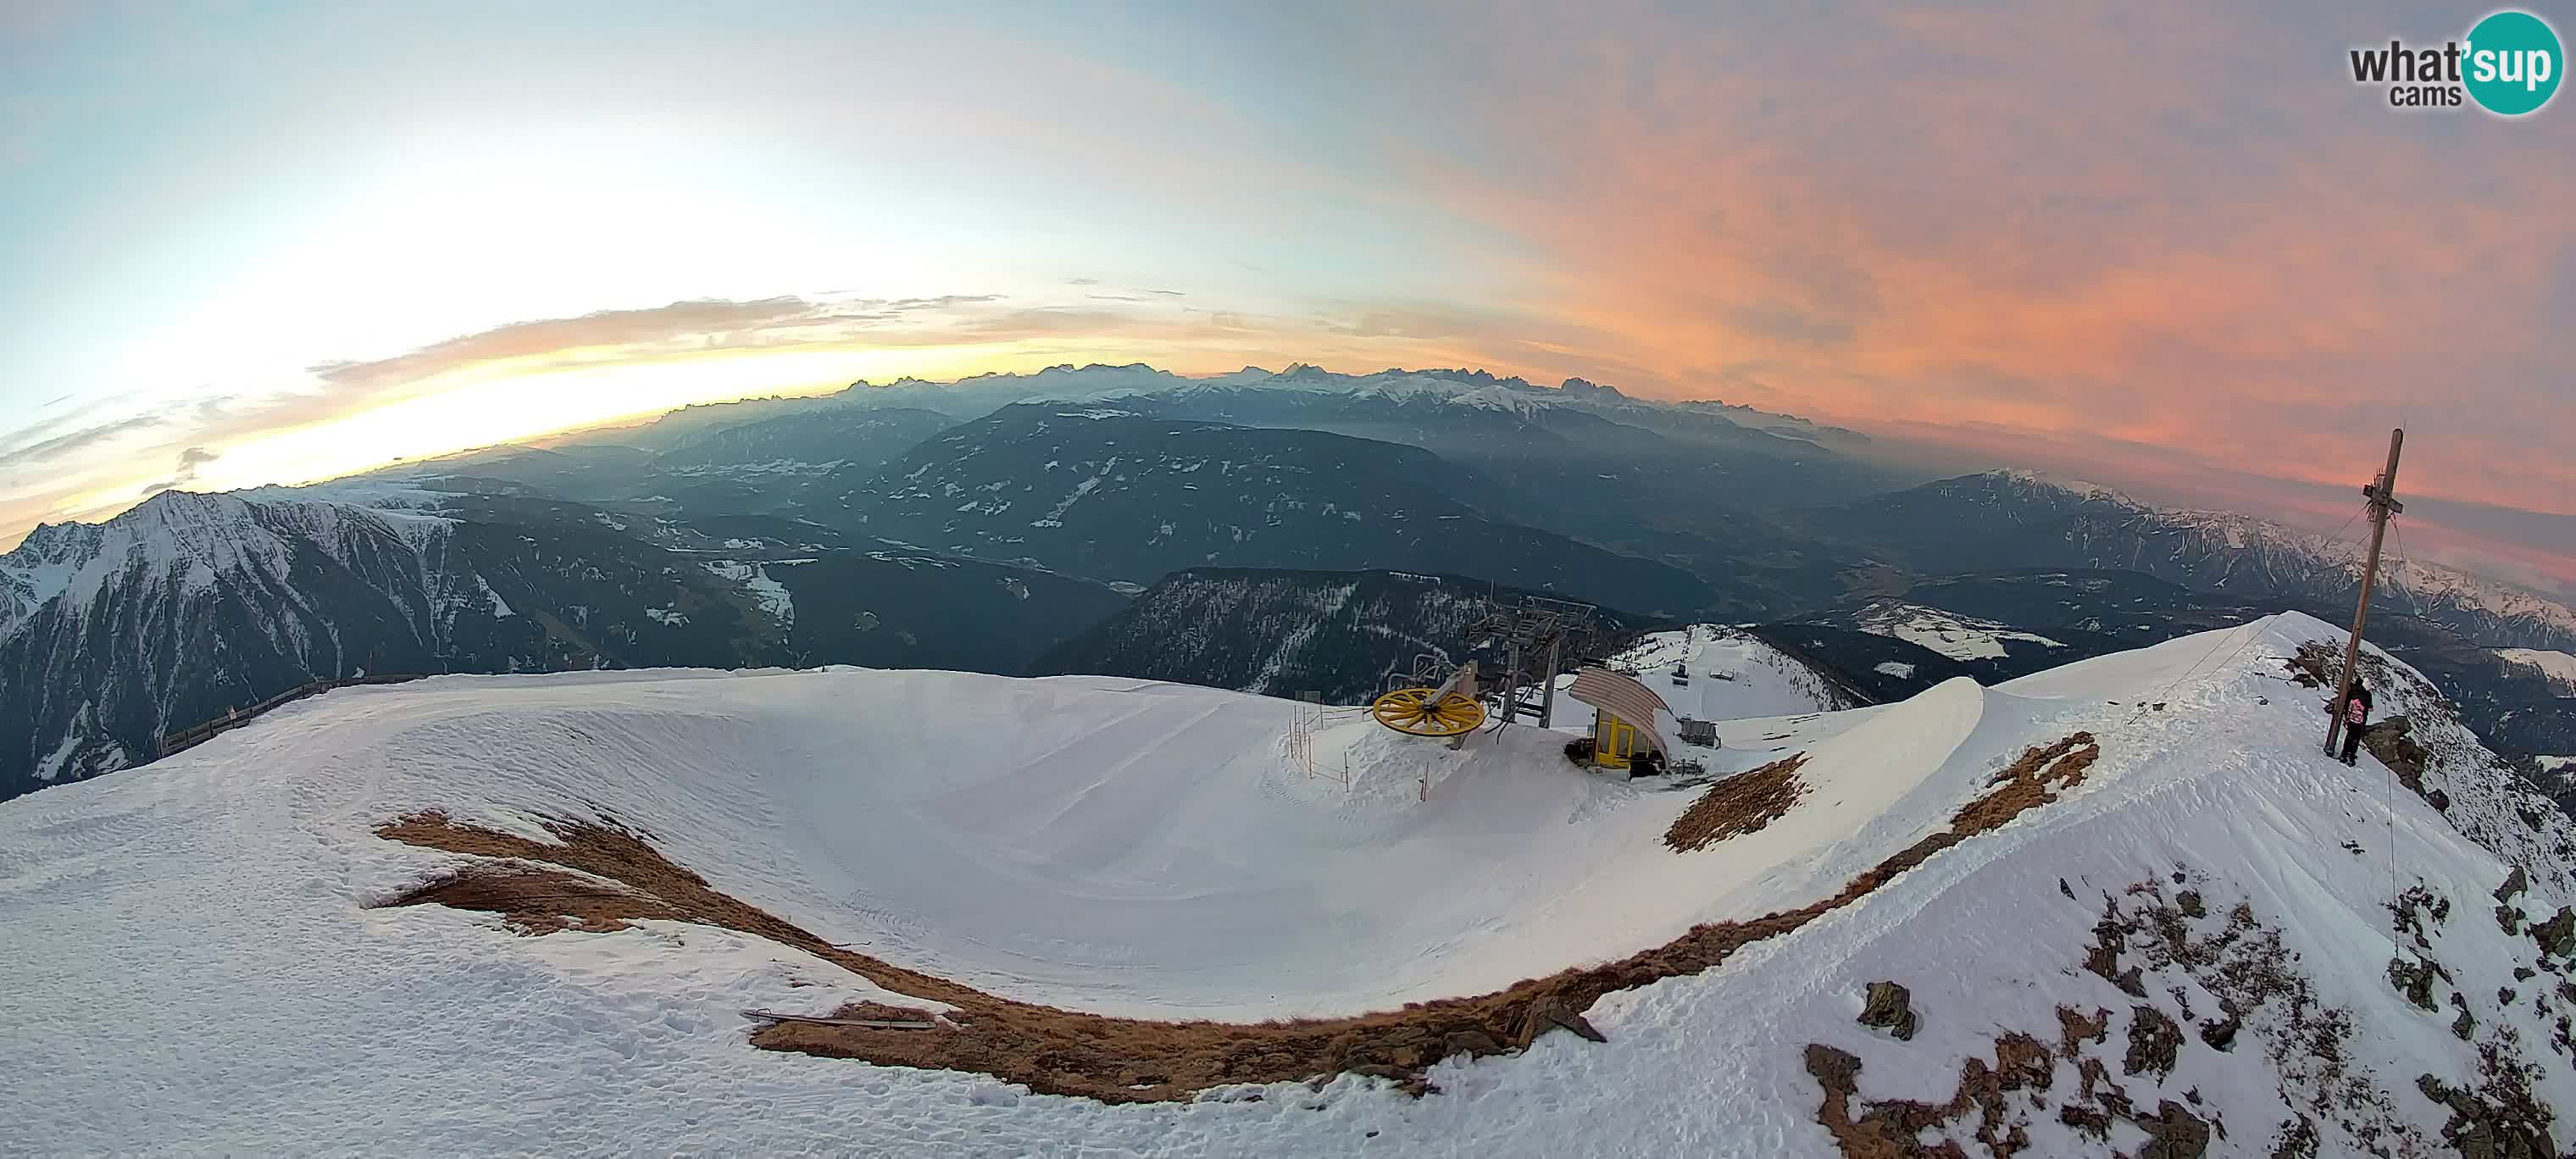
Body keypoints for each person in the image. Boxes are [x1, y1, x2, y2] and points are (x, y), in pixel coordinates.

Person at [2336, 680, 2373, 766]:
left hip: (2352, 719)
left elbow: (2350, 708)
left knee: (2349, 737)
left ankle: (2344, 755)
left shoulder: (2354, 694)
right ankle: (2351, 758)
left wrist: (2348, 718)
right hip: (2361, 721)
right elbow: (2370, 708)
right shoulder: (2368, 695)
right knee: (2356, 739)